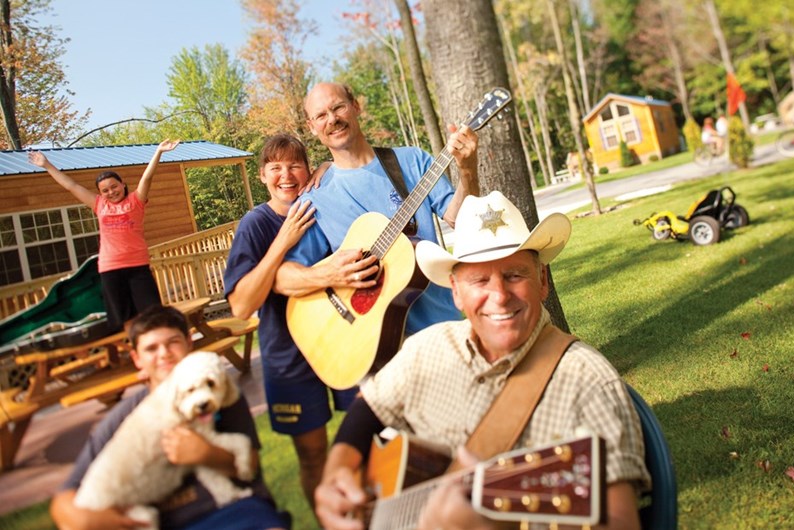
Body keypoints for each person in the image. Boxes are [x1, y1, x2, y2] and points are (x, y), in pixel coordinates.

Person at [314, 191, 651, 530]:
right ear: (456, 292)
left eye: (515, 275)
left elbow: (621, 520)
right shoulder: (429, 348)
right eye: (479, 280)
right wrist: (339, 468)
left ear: (543, 281)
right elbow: (369, 404)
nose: (500, 296)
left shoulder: (586, 380)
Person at [49, 304, 289, 530]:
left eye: (172, 343)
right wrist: (87, 518)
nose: (163, 354)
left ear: (188, 343)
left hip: (231, 509)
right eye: (151, 348)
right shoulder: (127, 418)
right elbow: (64, 500)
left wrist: (206, 454)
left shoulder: (219, 393)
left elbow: (251, 465)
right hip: (164, 522)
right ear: (137, 359)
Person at [273, 82, 480, 336]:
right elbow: (284, 278)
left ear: (355, 107)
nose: (332, 119)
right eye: (321, 115)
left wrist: (468, 170)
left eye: (338, 107)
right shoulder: (314, 199)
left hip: (443, 327)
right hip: (369, 343)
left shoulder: (412, 160)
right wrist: (331, 274)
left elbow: (462, 220)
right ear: (311, 127)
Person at [223, 133, 354, 511]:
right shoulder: (255, 224)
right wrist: (282, 242)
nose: (286, 175)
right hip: (288, 355)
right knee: (313, 455)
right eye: (276, 167)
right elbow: (241, 306)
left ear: (308, 169)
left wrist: (331, 168)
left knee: (366, 438)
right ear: (263, 175)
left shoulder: (326, 206)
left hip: (345, 338)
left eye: (295, 164)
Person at [28, 140, 180, 333]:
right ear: (100, 194)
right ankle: (137, 351)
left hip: (138, 267)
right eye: (105, 190)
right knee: (124, 319)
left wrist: (159, 152)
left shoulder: (136, 201)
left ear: (123, 185)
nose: (111, 192)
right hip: (111, 268)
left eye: (114, 186)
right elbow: (71, 186)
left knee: (154, 314)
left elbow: (147, 177)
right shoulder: (99, 205)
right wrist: (46, 165)